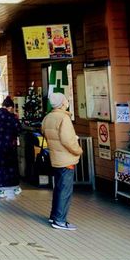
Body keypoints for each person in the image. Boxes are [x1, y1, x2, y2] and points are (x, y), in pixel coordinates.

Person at [41, 92, 82, 231]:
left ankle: (54, 216)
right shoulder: (63, 119)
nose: (67, 102)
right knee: (65, 190)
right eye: (65, 100)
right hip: (66, 159)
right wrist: (78, 150)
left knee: (58, 188)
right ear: (62, 103)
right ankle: (59, 220)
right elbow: (68, 140)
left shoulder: (47, 118)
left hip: (55, 157)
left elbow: (44, 133)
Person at [0, 96, 23, 199]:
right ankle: (15, 188)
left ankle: (1, 191)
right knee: (11, 168)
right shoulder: (12, 117)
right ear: (10, 107)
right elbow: (19, 129)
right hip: (9, 146)